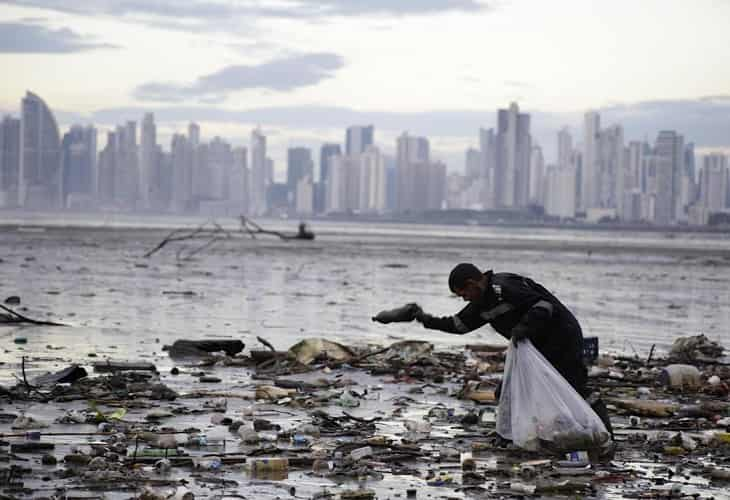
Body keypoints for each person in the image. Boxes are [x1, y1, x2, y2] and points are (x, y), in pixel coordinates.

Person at [407, 262, 613, 439]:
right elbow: (458, 325)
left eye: (464, 294)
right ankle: (511, 436)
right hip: (532, 346)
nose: (465, 299)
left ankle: (605, 433)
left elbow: (544, 306)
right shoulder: (481, 303)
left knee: (575, 386)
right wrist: (424, 319)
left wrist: (525, 325)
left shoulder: (503, 287)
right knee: (508, 390)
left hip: (562, 337)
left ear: (472, 284)